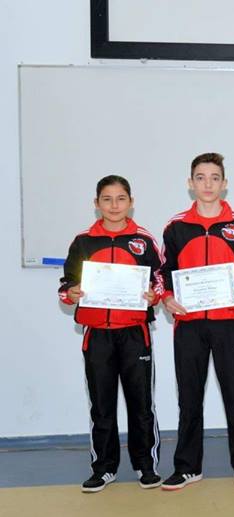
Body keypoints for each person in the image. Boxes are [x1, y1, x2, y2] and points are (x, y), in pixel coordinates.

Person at [158, 152, 234, 490]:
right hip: (188, 325)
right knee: (189, 397)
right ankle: (188, 466)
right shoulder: (175, 227)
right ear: (190, 184)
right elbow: (164, 272)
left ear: (224, 184)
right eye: (200, 178)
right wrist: (166, 297)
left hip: (230, 324)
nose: (207, 184)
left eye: (214, 178)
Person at [59, 175, 163, 492]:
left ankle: (145, 465)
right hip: (97, 336)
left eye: (121, 198)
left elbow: (160, 280)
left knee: (141, 404)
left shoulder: (144, 241)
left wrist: (154, 295)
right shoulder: (83, 242)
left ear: (131, 202)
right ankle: (103, 468)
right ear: (96, 204)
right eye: (107, 199)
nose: (114, 205)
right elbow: (66, 286)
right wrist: (72, 293)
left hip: (134, 334)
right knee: (102, 405)